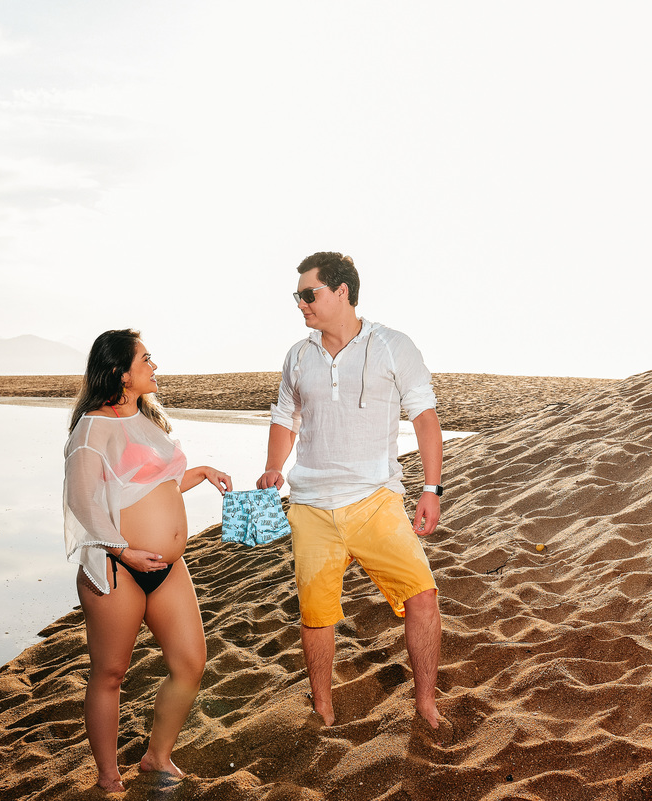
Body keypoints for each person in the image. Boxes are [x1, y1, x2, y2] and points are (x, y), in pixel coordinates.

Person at [257, 252, 445, 729]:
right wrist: (273, 467)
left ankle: (426, 704)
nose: (300, 303)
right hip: (311, 506)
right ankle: (323, 707)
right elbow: (285, 417)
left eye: (308, 293)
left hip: (375, 500)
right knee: (316, 614)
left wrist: (431, 488)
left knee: (423, 596)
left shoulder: (393, 346)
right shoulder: (298, 356)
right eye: (297, 295)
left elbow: (424, 418)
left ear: (342, 291)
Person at [63, 329, 231, 792]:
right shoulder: (92, 427)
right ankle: (108, 776)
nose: (154, 366)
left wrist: (201, 472)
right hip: (118, 568)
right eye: (146, 359)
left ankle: (156, 756)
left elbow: (154, 485)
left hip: (167, 568)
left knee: (190, 663)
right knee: (111, 673)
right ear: (121, 372)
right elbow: (82, 502)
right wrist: (123, 551)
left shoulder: (147, 419)